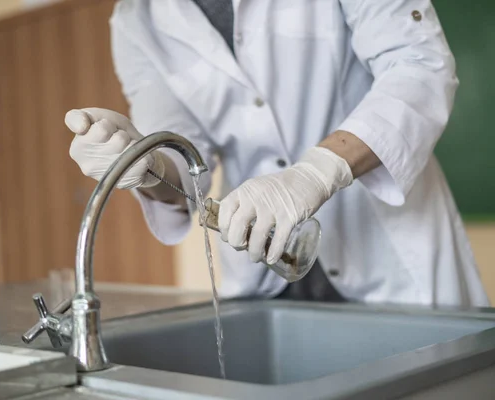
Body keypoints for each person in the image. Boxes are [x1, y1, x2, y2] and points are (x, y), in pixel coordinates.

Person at [64, 0, 489, 307]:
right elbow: (184, 162)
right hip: (263, 270)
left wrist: (316, 173)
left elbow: (419, 66)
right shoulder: (136, 20)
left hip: (392, 259)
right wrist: (146, 164)